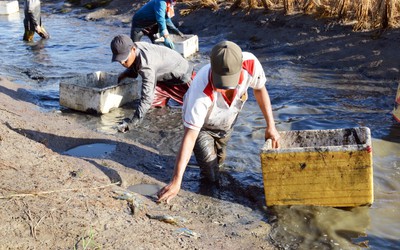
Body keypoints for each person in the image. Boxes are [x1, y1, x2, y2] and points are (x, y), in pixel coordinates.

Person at [157, 41, 281, 203]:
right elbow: (190, 136)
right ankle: (210, 191)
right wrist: (176, 181)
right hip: (202, 127)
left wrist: (271, 126)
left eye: (229, 83)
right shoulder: (200, 90)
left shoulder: (251, 64)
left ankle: (211, 170)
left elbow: (259, 89)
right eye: (220, 83)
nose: (223, 89)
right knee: (211, 173)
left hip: (226, 123)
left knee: (220, 160)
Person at [110, 34, 194, 132]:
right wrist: (123, 75)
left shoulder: (147, 66)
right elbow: (134, 69)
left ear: (133, 49)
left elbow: (146, 97)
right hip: (163, 76)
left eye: (125, 60)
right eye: (120, 61)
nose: (123, 64)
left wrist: (133, 122)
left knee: (193, 109)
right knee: (153, 107)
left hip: (182, 77)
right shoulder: (135, 47)